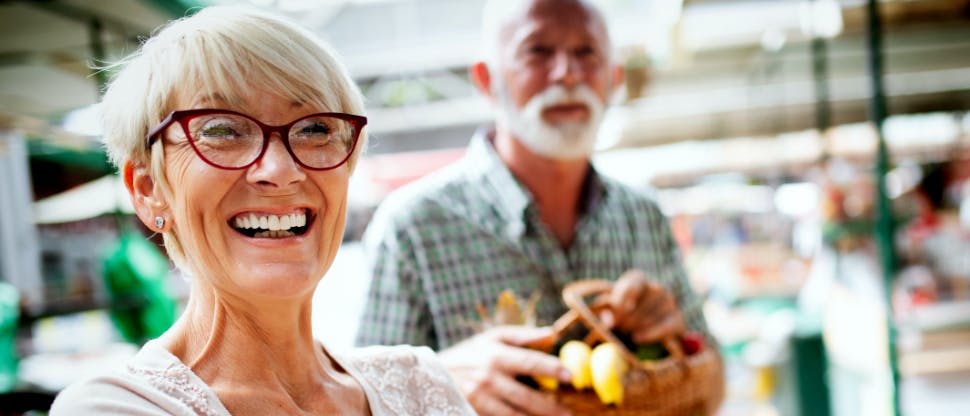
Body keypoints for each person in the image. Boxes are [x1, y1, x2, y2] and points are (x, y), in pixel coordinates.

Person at [50, 6, 473, 415]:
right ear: (148, 190)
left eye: (315, 129)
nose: (280, 170)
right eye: (221, 130)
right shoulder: (115, 408)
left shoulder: (421, 384)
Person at [355, 0, 723, 414]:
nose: (567, 73)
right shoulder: (413, 228)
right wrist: (436, 383)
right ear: (487, 80)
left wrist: (677, 341)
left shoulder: (643, 218)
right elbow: (362, 400)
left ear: (613, 79)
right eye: (538, 52)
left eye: (587, 53)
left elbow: (711, 388)